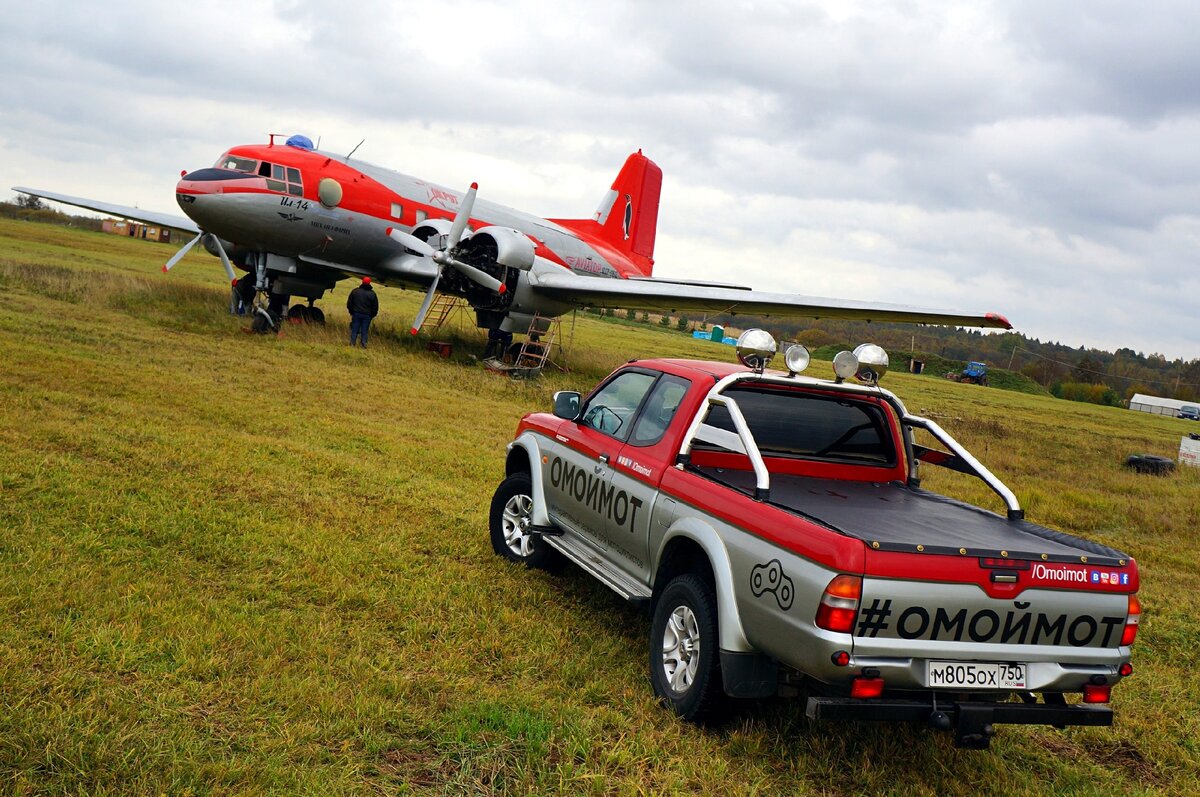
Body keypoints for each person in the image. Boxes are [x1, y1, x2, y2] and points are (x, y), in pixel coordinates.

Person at [346, 276, 379, 348]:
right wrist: (372, 315)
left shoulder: (355, 291)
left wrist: (351, 312)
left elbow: (349, 303)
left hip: (356, 314)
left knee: (354, 329)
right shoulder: (372, 294)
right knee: (365, 330)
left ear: (362, 282)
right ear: (370, 283)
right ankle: (363, 344)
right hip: (367, 315)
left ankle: (352, 343)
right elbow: (375, 307)